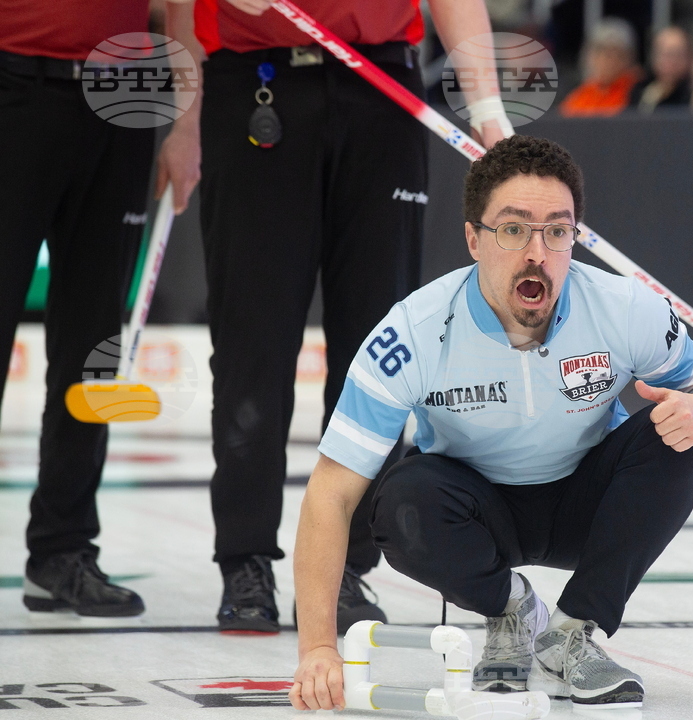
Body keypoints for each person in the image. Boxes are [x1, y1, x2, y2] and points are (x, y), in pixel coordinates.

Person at [289, 135, 693, 711]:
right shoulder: (412, 332)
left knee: (681, 432)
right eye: (513, 229)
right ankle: (511, 609)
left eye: (557, 230)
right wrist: (317, 650)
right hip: (476, 515)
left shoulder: (625, 307)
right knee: (401, 498)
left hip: (588, 507)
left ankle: (574, 632)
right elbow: (330, 493)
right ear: (474, 239)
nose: (537, 251)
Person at [156, 0, 513, 634]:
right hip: (255, 86)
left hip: (381, 90)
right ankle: (245, 562)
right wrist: (186, 121)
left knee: (376, 347)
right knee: (251, 343)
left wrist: (489, 116)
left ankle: (344, 565)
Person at [0, 1, 191, 618]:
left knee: (93, 345)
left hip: (124, 88)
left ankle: (62, 549)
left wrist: (186, 121)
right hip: (13, 75)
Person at [559, 17, 644, 117]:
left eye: (613, 54)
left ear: (628, 58)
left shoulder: (637, 93)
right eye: (598, 52)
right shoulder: (580, 93)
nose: (604, 61)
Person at [630, 26, 693, 112]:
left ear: (689, 57)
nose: (672, 61)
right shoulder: (639, 90)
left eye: (678, 54)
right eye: (667, 54)